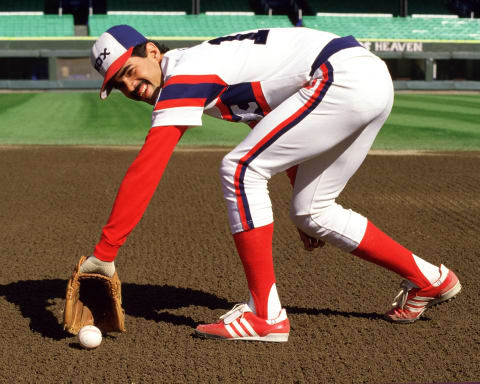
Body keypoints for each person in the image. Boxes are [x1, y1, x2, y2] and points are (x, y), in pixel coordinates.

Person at [82, 24, 461, 342]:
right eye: (118, 84)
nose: (131, 86)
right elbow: (273, 126)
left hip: (339, 76)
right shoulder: (202, 64)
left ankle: (265, 316)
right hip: (364, 78)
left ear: (151, 51)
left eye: (130, 71)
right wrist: (298, 188)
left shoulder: (184, 70)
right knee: (311, 210)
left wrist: (105, 252)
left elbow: (149, 165)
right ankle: (430, 279)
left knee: (239, 169)